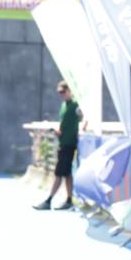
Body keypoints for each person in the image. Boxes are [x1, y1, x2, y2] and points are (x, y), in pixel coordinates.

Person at [33, 81, 83, 211]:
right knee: (66, 174)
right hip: (63, 142)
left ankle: (49, 200)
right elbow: (64, 125)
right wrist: (55, 131)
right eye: (59, 92)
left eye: (63, 92)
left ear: (70, 91)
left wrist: (82, 129)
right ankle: (69, 200)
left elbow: (83, 117)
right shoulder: (64, 106)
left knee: (59, 173)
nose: (61, 95)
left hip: (69, 144)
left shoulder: (75, 105)